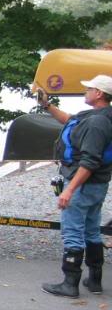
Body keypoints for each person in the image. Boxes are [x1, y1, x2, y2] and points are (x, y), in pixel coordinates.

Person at [39, 75, 112, 298]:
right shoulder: (98, 116)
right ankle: (95, 280)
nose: (85, 91)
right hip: (97, 185)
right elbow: (69, 119)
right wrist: (47, 106)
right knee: (91, 229)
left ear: (99, 94)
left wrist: (69, 190)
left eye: (88, 89)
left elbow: (90, 161)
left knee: (72, 231)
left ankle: (70, 283)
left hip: (83, 183)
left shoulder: (97, 123)